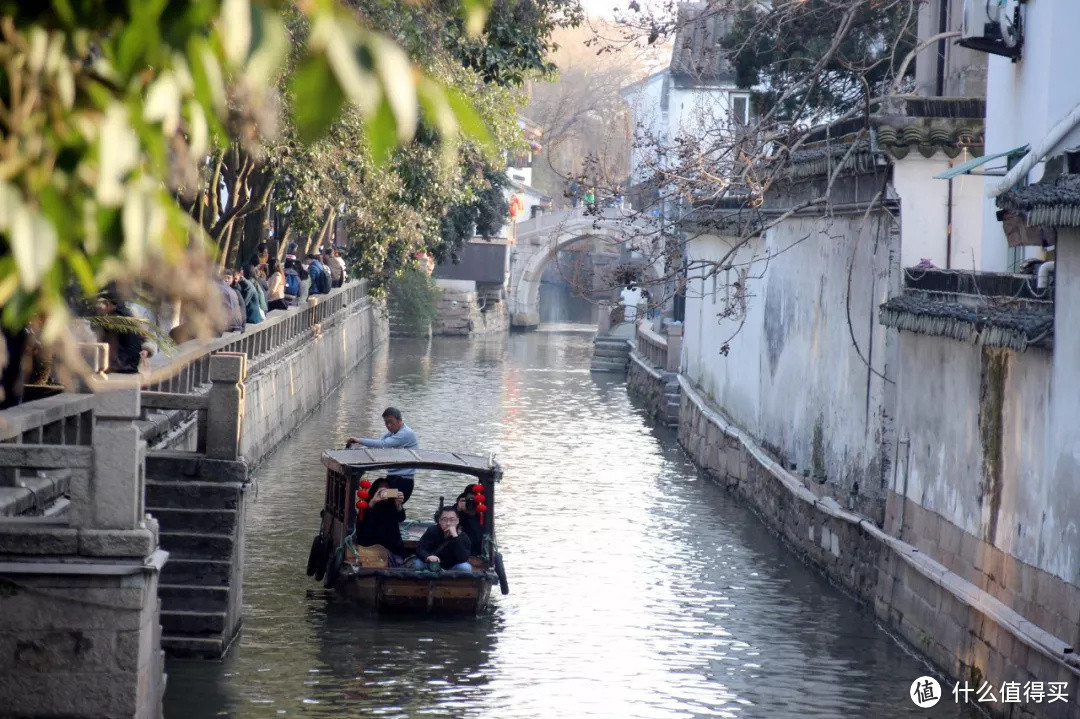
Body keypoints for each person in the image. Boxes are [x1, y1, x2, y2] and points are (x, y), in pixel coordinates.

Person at [346, 407, 419, 501]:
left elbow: (383, 444)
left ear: (399, 420)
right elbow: (378, 444)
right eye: (386, 422)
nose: (388, 425)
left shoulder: (406, 433)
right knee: (372, 496)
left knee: (384, 500)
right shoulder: (392, 433)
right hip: (392, 478)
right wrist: (358, 450)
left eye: (390, 421)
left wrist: (359, 440)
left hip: (403, 483)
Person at [353, 477, 406, 565]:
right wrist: (373, 502)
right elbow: (362, 529)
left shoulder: (392, 504)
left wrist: (399, 505)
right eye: (381, 488)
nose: (384, 491)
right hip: (370, 547)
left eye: (387, 488)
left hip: (391, 548)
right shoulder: (368, 506)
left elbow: (401, 518)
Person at [95, 289, 147, 373]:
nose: (97, 308)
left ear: (108, 304)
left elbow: (106, 344)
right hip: (131, 364)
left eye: (99, 305)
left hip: (121, 366)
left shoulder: (114, 318)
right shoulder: (127, 313)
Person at [409, 507, 472, 572]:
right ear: (439, 521)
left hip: (452, 566)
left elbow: (463, 558)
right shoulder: (432, 530)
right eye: (444, 520)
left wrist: (455, 537)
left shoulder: (463, 536)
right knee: (417, 564)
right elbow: (421, 548)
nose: (448, 523)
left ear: (457, 521)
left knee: (466, 568)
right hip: (432, 563)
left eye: (452, 520)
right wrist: (427, 557)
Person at [455, 484, 484, 553]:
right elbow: (441, 521)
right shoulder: (458, 509)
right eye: (468, 501)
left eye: (474, 501)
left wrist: (472, 515)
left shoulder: (483, 513)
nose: (471, 503)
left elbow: (479, 536)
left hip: (476, 549)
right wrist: (457, 510)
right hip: (458, 548)